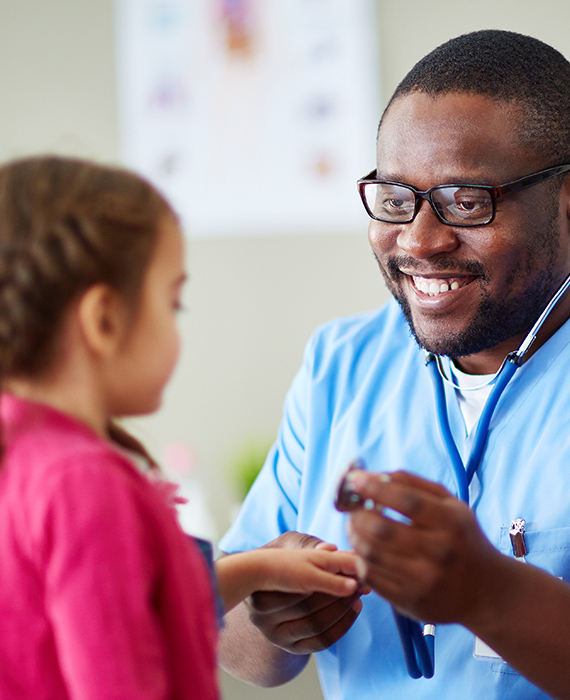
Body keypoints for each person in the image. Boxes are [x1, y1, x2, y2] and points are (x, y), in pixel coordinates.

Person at [218, 29, 570, 700]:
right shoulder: (342, 365)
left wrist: (490, 594)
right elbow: (243, 647)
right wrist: (277, 618)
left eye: (467, 201)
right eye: (395, 198)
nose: (418, 241)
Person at [0, 155, 361, 700]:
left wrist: (262, 568)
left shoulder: (22, 454)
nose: (176, 326)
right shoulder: (84, 484)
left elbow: (130, 596)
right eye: (174, 303)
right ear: (103, 320)